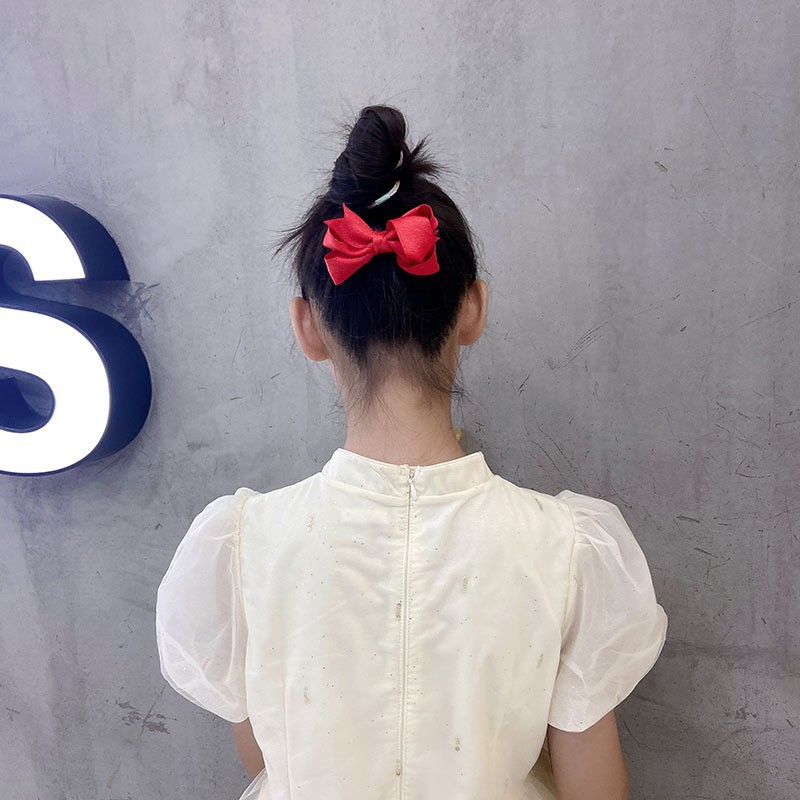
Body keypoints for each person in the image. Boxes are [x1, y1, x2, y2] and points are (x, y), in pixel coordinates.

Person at [155, 105, 668, 800]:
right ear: (473, 309)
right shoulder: (570, 548)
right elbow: (595, 791)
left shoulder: (240, 546)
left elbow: (265, 761)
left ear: (307, 327)